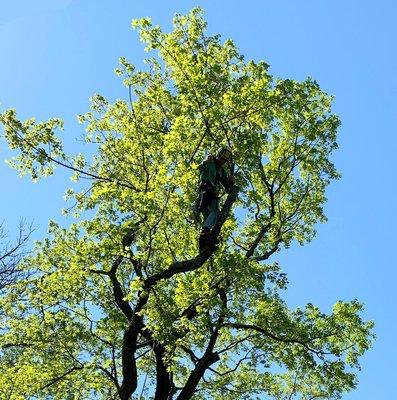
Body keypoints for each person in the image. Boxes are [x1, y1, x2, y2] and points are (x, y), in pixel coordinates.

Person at [194, 147, 235, 250]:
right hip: (206, 188)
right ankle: (205, 232)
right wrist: (206, 161)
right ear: (218, 156)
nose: (222, 161)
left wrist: (230, 182)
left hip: (213, 193)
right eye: (221, 158)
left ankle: (204, 241)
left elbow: (226, 185)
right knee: (212, 212)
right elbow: (200, 168)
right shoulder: (211, 162)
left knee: (214, 215)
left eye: (224, 160)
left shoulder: (221, 171)